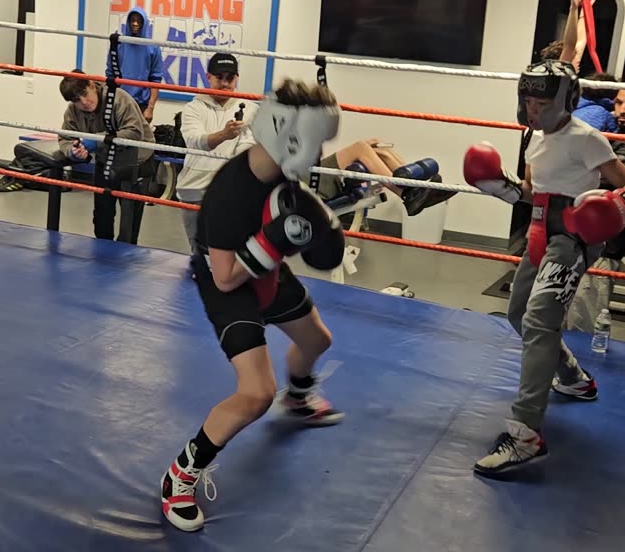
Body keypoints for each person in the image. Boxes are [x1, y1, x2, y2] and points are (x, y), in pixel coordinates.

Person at [161, 79, 346, 533]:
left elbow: (310, 230)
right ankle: (180, 476)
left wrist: (326, 230)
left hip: (264, 270)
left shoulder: (282, 176)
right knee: (257, 393)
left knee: (317, 338)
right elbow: (225, 277)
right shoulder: (229, 193)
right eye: (316, 141)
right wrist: (275, 240)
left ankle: (300, 397)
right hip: (227, 284)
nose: (318, 152)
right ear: (287, 134)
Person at [464, 59, 625, 475]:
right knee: (517, 313)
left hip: (573, 237)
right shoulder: (535, 137)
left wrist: (612, 210)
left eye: (542, 101)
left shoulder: (587, 138)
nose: (533, 109)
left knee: (541, 319)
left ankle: (526, 434)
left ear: (565, 101)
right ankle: (575, 378)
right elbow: (533, 191)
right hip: (539, 231)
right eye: (528, 99)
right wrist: (500, 187)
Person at [565, 81, 625, 332]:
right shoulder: (614, 129)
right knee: (567, 307)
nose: (622, 110)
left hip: (607, 241)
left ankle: (583, 367)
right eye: (618, 103)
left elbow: (604, 176)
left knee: (583, 315)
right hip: (586, 233)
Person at [58, 75, 156, 244]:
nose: (84, 102)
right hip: (105, 162)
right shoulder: (73, 110)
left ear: (91, 85)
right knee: (102, 216)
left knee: (129, 220)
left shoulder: (118, 98)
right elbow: (65, 138)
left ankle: (125, 257)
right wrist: (74, 151)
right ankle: (103, 256)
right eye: (76, 100)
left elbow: (134, 132)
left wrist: (98, 141)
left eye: (84, 93)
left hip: (135, 161)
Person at [176, 52, 256, 251]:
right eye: (219, 77)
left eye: (230, 78)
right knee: (199, 252)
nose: (225, 83)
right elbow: (195, 141)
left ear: (237, 78)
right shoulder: (193, 108)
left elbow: (248, 147)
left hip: (229, 193)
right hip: (195, 189)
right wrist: (224, 135)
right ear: (208, 76)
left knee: (228, 252)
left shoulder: (251, 109)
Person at [315, 139, 454, 216]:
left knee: (374, 144)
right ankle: (407, 194)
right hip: (306, 182)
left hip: (307, 173)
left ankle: (415, 186)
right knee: (360, 148)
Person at [110, 7, 164, 123]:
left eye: (139, 21)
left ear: (144, 23)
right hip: (119, 101)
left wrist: (150, 108)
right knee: (117, 137)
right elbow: (110, 75)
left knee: (138, 138)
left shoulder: (153, 47)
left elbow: (156, 80)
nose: (135, 24)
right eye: (132, 20)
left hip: (141, 104)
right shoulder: (118, 44)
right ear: (128, 22)